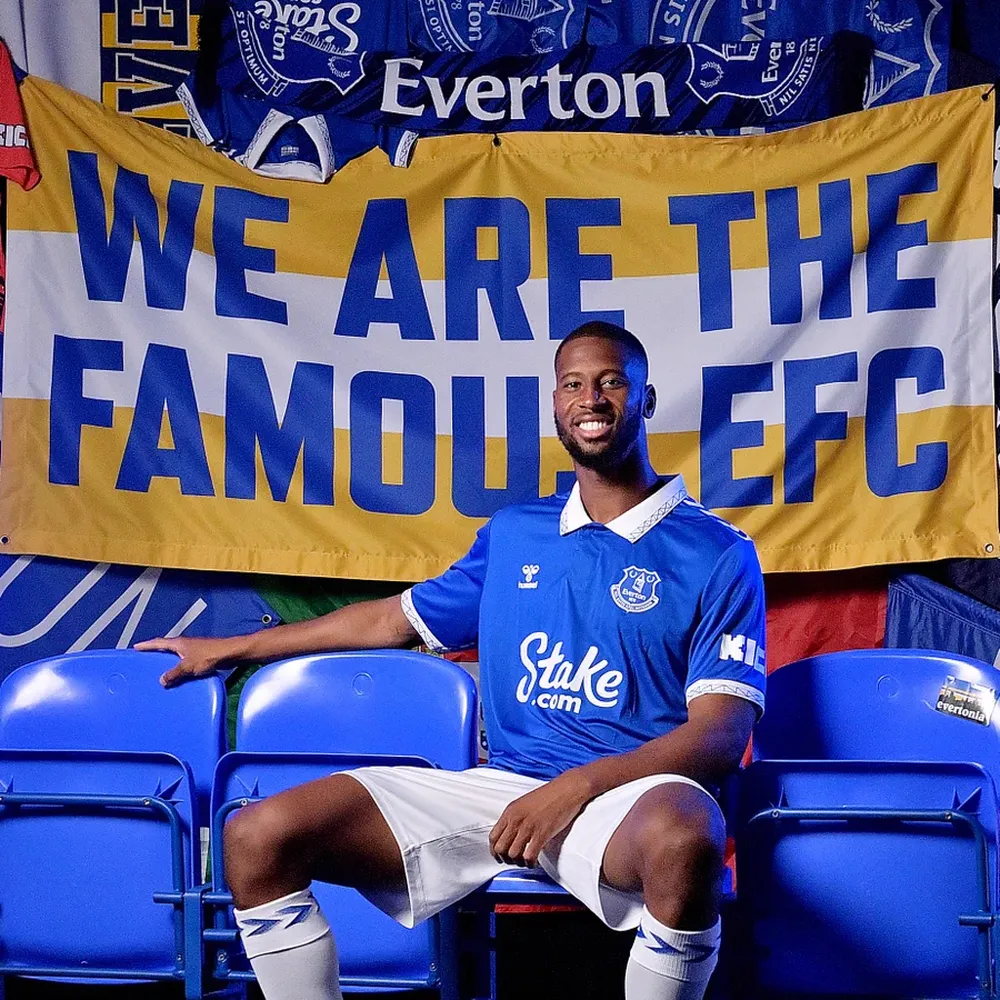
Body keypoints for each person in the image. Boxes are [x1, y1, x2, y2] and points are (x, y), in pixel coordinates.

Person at [137, 320, 766, 1000]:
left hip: (627, 799)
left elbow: (720, 735)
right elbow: (389, 621)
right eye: (573, 385)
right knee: (259, 835)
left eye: (611, 382)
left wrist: (576, 788)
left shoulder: (717, 552)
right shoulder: (517, 533)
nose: (591, 399)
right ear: (556, 403)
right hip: (506, 787)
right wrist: (227, 648)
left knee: (687, 837)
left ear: (645, 400)